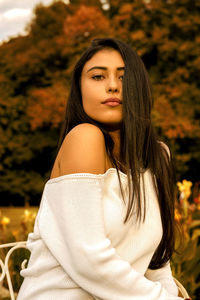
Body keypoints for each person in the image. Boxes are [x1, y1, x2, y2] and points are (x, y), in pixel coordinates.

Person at [17, 38, 185, 300]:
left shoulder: (157, 156)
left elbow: (156, 265)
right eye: (97, 77)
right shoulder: (85, 138)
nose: (112, 86)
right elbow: (90, 259)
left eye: (123, 77)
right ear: (79, 89)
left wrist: (173, 295)